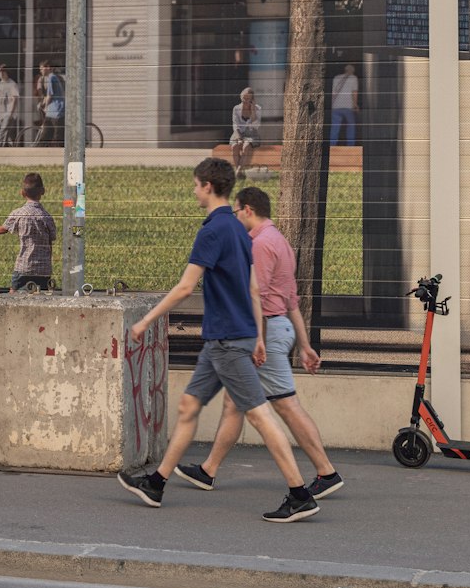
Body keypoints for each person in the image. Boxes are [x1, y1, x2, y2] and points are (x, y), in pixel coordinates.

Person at [116, 157, 321, 523]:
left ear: (208, 186)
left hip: (227, 339)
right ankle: (156, 483)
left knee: (259, 416)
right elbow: (254, 288)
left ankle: (299, 493)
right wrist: (258, 337)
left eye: (196, 185)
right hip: (224, 339)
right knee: (189, 408)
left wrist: (145, 321)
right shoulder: (240, 231)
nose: (194, 191)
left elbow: (185, 286)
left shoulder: (213, 231)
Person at [222, 186, 343, 498]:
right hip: (281, 328)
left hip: (268, 332)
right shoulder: (281, 242)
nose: (236, 217)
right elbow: (292, 301)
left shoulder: (261, 245)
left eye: (237, 211)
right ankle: (208, 469)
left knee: (287, 405)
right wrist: (304, 346)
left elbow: (257, 298)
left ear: (248, 209)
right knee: (234, 402)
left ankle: (326, 472)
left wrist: (257, 342)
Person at [0, 172, 56, 291]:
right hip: (44, 269)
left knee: (13, 295)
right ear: (43, 191)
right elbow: (52, 239)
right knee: (42, 297)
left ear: (22, 193)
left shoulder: (18, 213)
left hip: (24, 266)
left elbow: (4, 229)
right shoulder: (47, 217)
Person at [230, 87, 263, 177]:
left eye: (248, 99)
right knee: (235, 146)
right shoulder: (236, 108)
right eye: (244, 98)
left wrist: (253, 111)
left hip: (252, 134)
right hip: (238, 133)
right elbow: (235, 124)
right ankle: (239, 171)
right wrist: (239, 138)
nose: (245, 100)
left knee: (246, 146)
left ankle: (239, 170)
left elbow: (256, 126)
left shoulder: (258, 109)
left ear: (252, 99)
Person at [36, 59, 65, 146]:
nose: (40, 70)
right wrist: (42, 104)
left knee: (57, 138)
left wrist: (44, 106)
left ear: (48, 68)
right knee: (46, 135)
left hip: (57, 112)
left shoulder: (52, 78)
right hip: (52, 112)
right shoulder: (51, 77)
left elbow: (49, 96)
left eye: (42, 68)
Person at [330, 63, 360, 146]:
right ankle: (350, 146)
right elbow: (354, 93)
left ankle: (332, 146)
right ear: (352, 71)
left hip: (336, 106)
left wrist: (331, 105)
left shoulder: (336, 78)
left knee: (335, 127)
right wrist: (355, 105)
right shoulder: (353, 78)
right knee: (351, 126)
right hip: (348, 106)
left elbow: (333, 93)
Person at [0, 64, 20, 147]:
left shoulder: (12, 84)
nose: (0, 74)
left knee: (3, 131)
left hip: (9, 112)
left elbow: (15, 99)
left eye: (2, 72)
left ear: (6, 72)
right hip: (2, 113)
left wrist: (11, 113)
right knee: (7, 134)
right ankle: (10, 150)